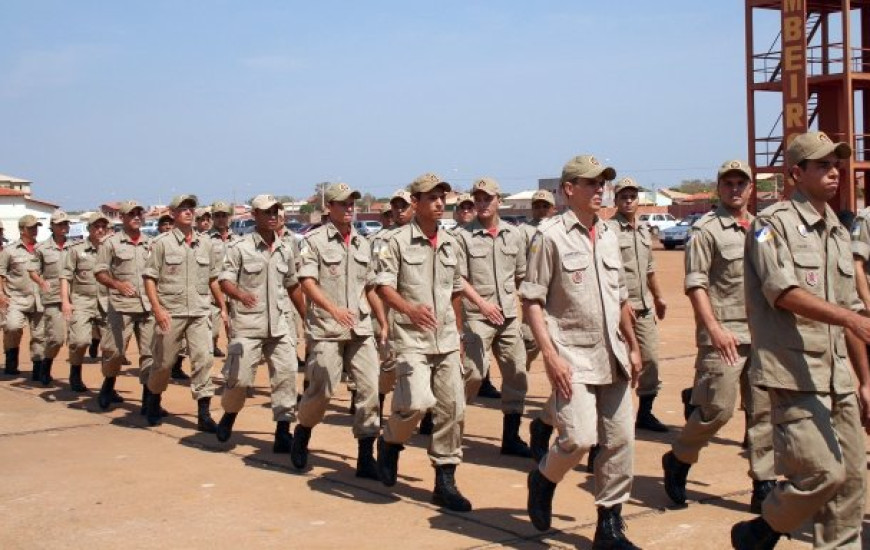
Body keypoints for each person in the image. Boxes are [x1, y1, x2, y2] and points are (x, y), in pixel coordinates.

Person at [731, 132, 870, 548]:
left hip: (839, 376)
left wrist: (865, 381)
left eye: (836, 164)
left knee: (852, 481)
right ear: (796, 173)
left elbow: (851, 320)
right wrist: (852, 317)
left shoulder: (839, 232)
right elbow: (784, 293)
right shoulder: (770, 227)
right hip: (794, 371)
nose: (834, 173)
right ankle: (765, 527)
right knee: (823, 472)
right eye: (822, 165)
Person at [522, 154, 642, 548]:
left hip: (614, 354)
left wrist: (635, 345)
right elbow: (533, 301)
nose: (600, 190)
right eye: (591, 183)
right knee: (579, 439)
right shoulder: (549, 235)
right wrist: (550, 355)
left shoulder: (608, 233)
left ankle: (609, 524)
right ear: (569, 189)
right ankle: (543, 477)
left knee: (621, 440)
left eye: (602, 182)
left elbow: (621, 296)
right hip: (572, 355)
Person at [661, 160, 775, 514]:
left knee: (764, 414)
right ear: (719, 189)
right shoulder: (707, 230)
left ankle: (764, 484)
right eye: (729, 183)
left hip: (763, 336)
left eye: (742, 183)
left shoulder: (763, 228)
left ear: (751, 188)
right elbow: (695, 284)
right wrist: (713, 329)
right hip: (723, 335)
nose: (736, 189)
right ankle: (679, 458)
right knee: (717, 411)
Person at [375, 173, 472, 512]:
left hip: (445, 340)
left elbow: (456, 293)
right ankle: (390, 441)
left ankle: (445, 480)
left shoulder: (451, 242)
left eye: (442, 197)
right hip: (411, 339)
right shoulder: (396, 242)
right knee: (416, 403)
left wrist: (459, 336)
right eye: (431, 198)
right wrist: (409, 310)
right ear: (415, 202)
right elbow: (382, 286)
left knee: (453, 409)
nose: (440, 203)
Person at [291, 183, 387, 478]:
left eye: (352, 203)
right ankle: (303, 432)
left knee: (370, 390)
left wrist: (382, 322)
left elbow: (369, 287)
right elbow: (307, 281)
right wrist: (332, 309)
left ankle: (365, 456)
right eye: (343, 203)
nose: (349, 208)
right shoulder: (314, 241)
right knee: (322, 392)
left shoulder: (362, 243)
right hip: (326, 329)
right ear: (329, 207)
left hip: (360, 329)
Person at [214, 194, 304, 453]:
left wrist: (306, 316)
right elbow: (224, 281)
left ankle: (283, 432)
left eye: (276, 211)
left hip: (280, 326)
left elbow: (293, 285)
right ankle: (229, 415)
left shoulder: (285, 249)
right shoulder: (239, 248)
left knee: (286, 379)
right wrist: (240, 294)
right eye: (267, 212)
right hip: (248, 326)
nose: (273, 216)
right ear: (255, 215)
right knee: (239, 380)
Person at [456, 177, 531, 457]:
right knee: (473, 374)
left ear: (499, 200)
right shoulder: (462, 236)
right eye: (478, 198)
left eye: (488, 198)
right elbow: (459, 279)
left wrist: (524, 306)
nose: (482, 203)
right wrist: (482, 304)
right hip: (478, 316)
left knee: (517, 374)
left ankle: (510, 438)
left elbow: (522, 274)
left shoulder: (515, 235)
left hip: (509, 316)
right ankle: (451, 429)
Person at [142, 194, 225, 432]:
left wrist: (223, 307)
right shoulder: (161, 243)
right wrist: (157, 309)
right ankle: (154, 401)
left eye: (191, 208)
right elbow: (150, 278)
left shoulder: (205, 243)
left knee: (203, 360)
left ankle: (204, 414)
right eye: (183, 208)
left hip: (199, 312)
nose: (189, 212)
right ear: (172, 213)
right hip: (171, 312)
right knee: (164, 363)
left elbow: (212, 279)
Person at [605, 178, 668, 432]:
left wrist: (659, 297)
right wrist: (620, 301)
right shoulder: (608, 230)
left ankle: (645, 412)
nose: (629, 200)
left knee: (651, 358)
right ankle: (611, 418)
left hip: (644, 307)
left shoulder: (643, 230)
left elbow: (650, 269)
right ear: (616, 200)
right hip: (617, 308)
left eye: (632, 196)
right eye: (624, 196)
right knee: (616, 364)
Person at [94, 200, 155, 411]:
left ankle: (149, 400)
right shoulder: (110, 243)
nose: (137, 217)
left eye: (140, 213)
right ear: (122, 217)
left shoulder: (152, 243)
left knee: (150, 354)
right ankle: (108, 385)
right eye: (132, 214)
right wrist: (116, 284)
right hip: (122, 307)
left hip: (147, 307)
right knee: (115, 352)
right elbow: (100, 272)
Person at [452, 191, 500, 400]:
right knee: (460, 346)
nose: (466, 211)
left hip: (483, 303)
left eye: (469, 207)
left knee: (481, 348)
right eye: (461, 207)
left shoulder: (493, 234)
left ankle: (484, 382)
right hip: (460, 301)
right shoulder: (453, 237)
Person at [370, 189, 414, 410]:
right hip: (392, 311)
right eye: (395, 206)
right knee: (390, 364)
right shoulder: (382, 240)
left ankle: (425, 417)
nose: (399, 210)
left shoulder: (426, 235)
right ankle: (377, 398)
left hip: (420, 311)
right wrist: (383, 321)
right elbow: (376, 281)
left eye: (403, 206)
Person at [60, 213, 111, 392]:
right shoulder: (76, 249)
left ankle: (108, 385)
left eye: (103, 227)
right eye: (96, 227)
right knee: (80, 341)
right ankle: (75, 371)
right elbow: (65, 276)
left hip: (107, 302)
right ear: (89, 229)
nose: (100, 230)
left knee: (111, 347)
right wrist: (66, 301)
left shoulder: (112, 249)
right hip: (82, 301)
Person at [29, 210, 73, 385]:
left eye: (66, 224)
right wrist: (41, 282)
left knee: (77, 339)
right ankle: (46, 365)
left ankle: (75, 375)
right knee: (56, 338)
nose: (64, 227)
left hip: (73, 297)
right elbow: (32, 271)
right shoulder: (42, 249)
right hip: (53, 297)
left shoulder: (76, 246)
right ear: (52, 226)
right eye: (60, 224)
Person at [0, 215, 45, 378]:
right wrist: (1, 295)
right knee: (12, 327)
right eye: (31, 227)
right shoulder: (9, 251)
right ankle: (11, 359)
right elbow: (1, 274)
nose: (34, 230)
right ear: (22, 230)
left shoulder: (42, 249)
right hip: (16, 298)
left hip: (39, 299)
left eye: (36, 227)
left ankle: (38, 367)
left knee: (40, 335)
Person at [208, 201, 238, 358]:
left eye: (224, 215)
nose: (221, 219)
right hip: (211, 294)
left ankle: (232, 366)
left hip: (233, 291)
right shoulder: (205, 240)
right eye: (217, 216)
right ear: (213, 217)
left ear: (229, 217)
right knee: (210, 333)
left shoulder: (238, 240)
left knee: (234, 330)